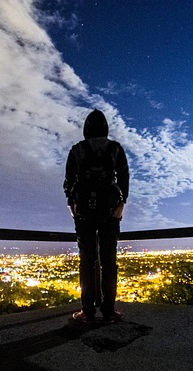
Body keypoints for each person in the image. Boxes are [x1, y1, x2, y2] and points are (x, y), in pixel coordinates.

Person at [64, 109, 129, 323]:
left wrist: (72, 205)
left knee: (87, 261)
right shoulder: (115, 149)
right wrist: (121, 204)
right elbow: (124, 178)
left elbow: (68, 180)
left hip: (83, 213)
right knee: (109, 261)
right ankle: (109, 312)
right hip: (110, 212)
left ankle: (87, 312)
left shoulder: (76, 150)